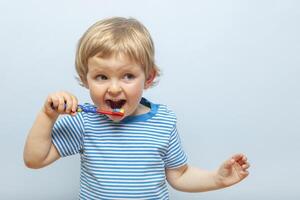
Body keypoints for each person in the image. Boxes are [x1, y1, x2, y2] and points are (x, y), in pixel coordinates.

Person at [23, 17, 250, 199]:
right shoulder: (83, 121)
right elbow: (34, 160)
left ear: (148, 78)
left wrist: (217, 179)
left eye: (128, 76)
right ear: (85, 79)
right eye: (101, 77)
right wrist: (47, 115)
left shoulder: (164, 121)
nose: (113, 88)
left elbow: (180, 175)